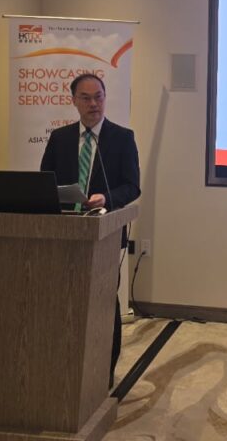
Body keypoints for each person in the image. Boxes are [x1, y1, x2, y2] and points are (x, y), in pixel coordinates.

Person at [40, 72, 140, 386]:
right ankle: (65, 368)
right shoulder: (60, 138)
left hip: (104, 234)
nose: (93, 103)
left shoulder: (122, 138)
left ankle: (104, 372)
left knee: (104, 305)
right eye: (86, 98)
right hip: (64, 234)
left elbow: (132, 186)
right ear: (74, 101)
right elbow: (45, 181)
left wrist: (106, 198)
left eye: (99, 96)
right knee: (64, 302)